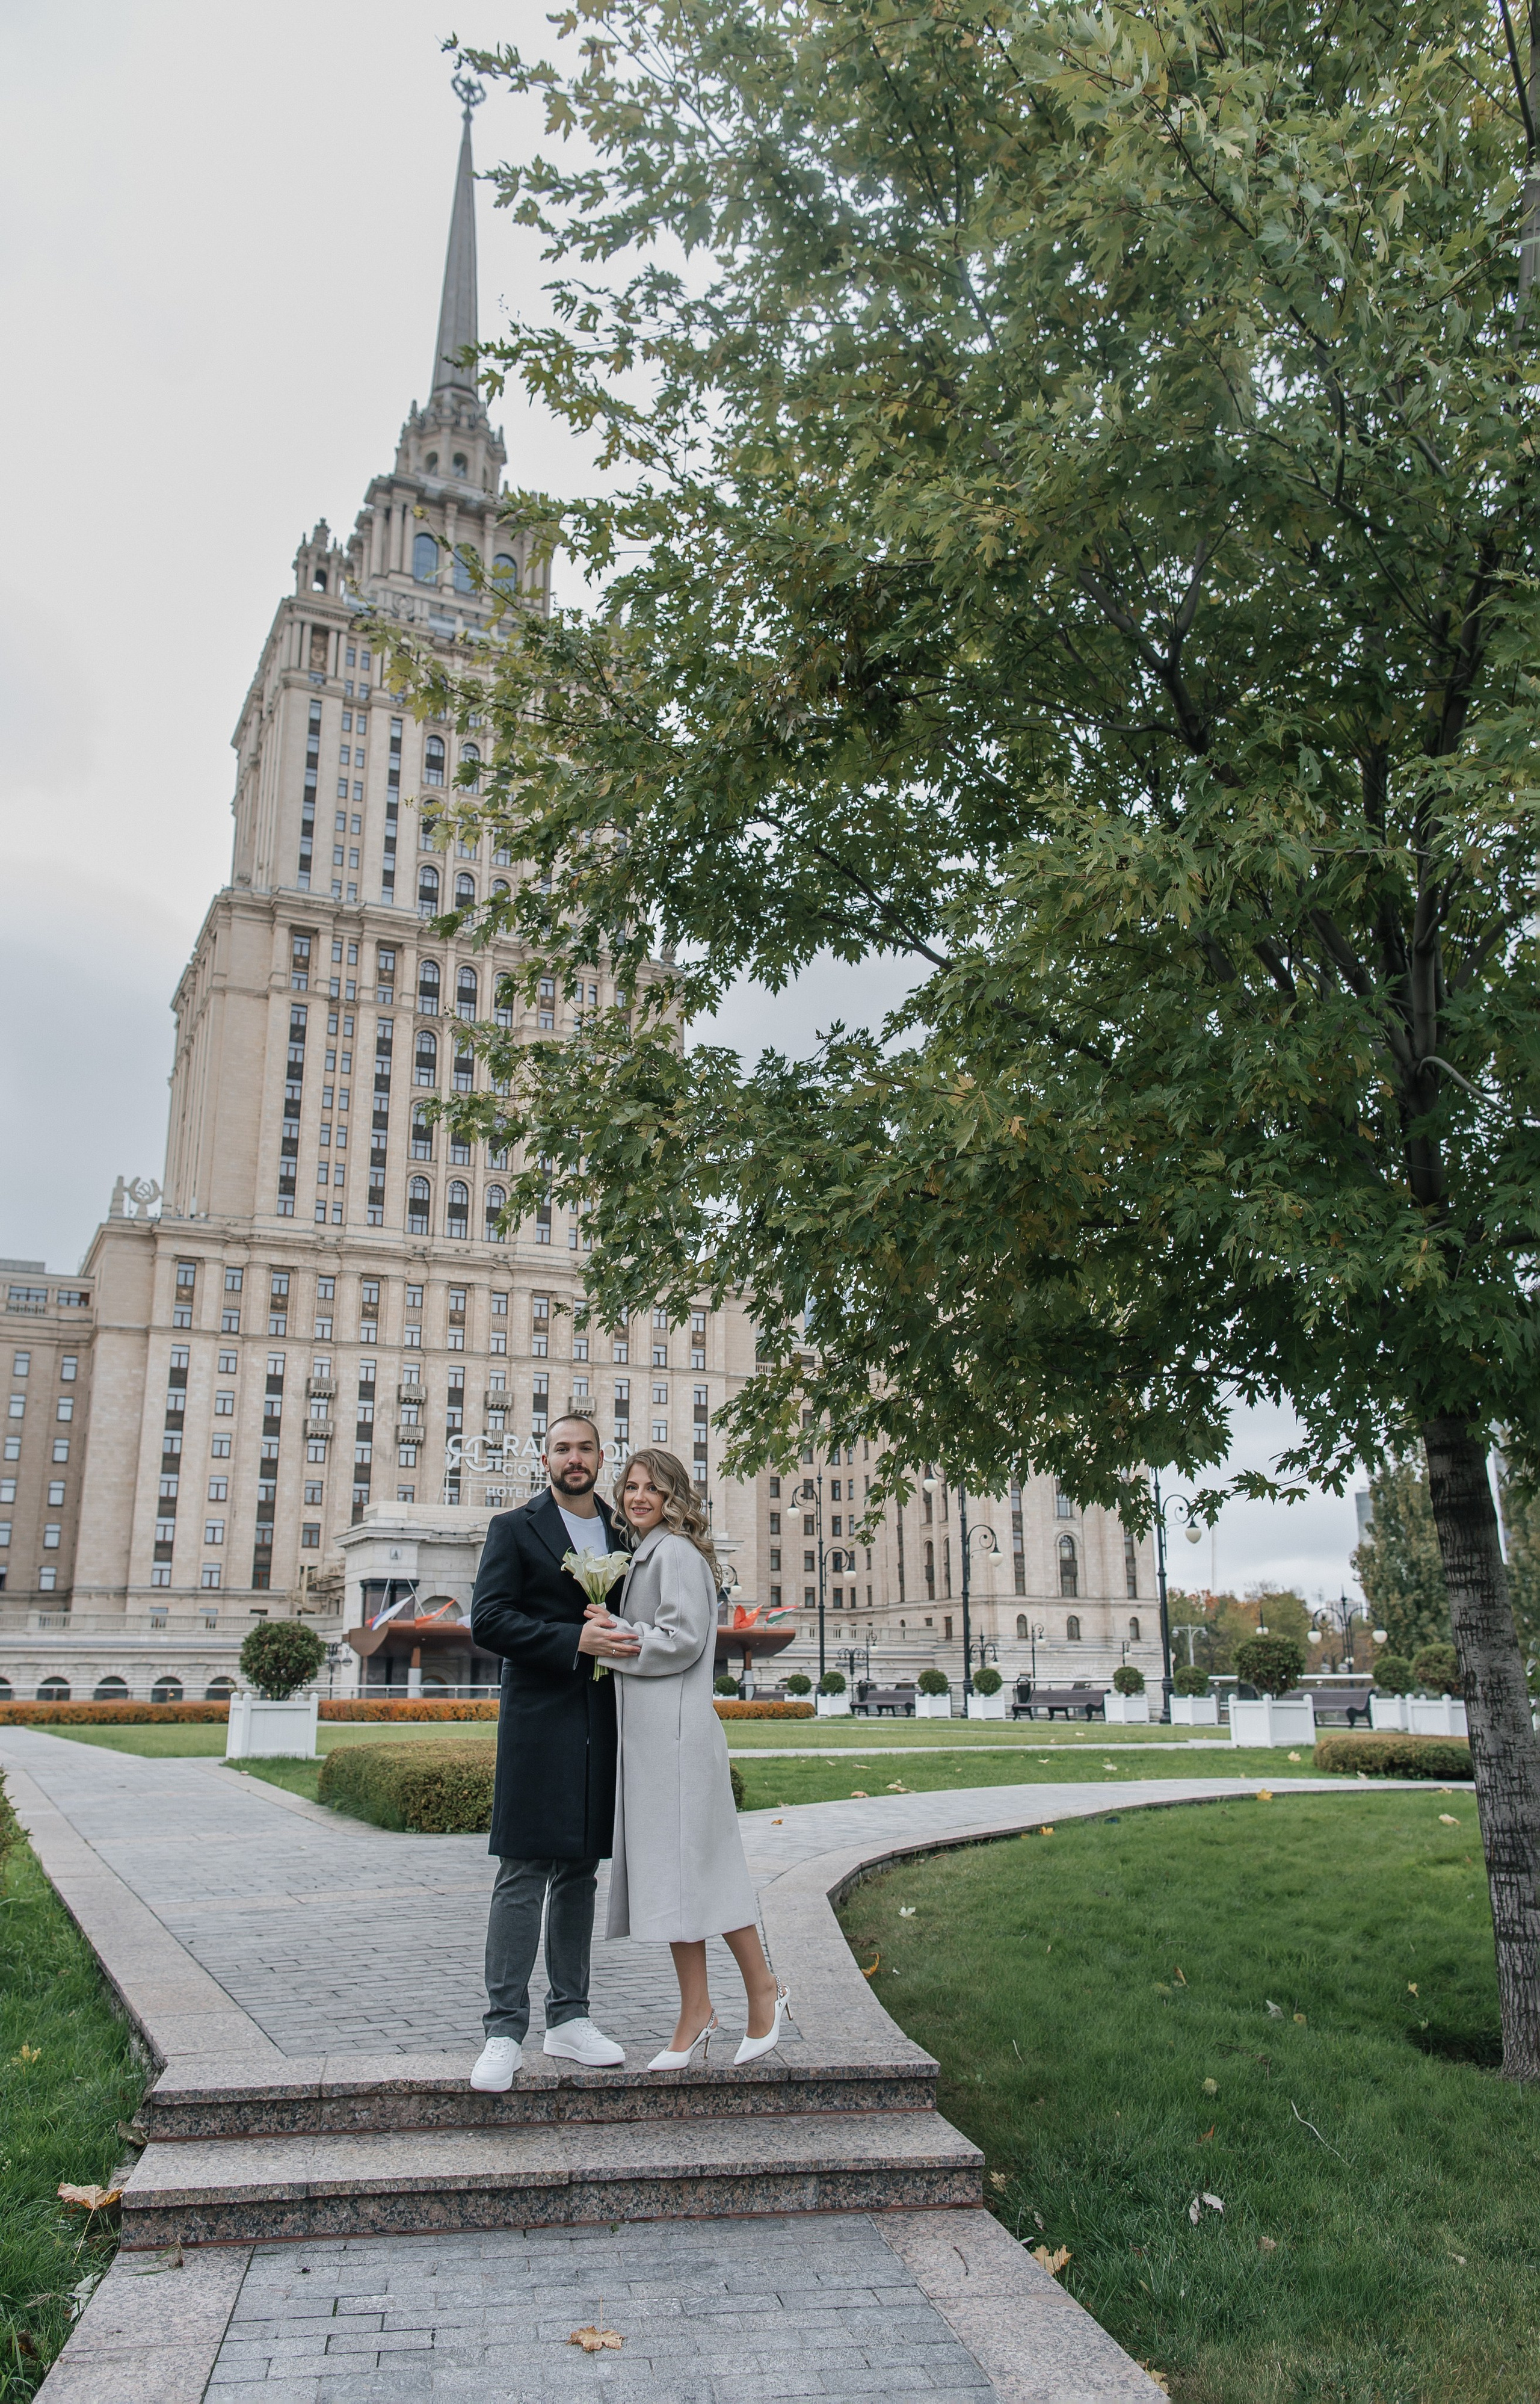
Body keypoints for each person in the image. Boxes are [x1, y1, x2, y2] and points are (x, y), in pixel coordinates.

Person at [583, 1447, 790, 2070]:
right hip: (656, 1742)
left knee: (704, 1873)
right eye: (631, 1487)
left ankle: (764, 1993)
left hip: (675, 1741)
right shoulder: (652, 1552)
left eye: (652, 1487)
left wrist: (613, 1633)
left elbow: (682, 1638)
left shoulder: (673, 1552)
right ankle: (696, 2010)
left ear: (675, 1496)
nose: (638, 1497)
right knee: (679, 1880)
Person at [467, 1414, 638, 2092]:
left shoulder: (626, 1534)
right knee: (523, 1868)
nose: (575, 1458)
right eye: (563, 1447)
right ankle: (503, 2028)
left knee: (579, 1871)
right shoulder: (515, 1528)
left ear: (602, 1456)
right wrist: (575, 1639)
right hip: (539, 1719)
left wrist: (620, 1635)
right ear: (546, 1458)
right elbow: (489, 1618)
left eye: (585, 1447)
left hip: (604, 1718)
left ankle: (569, 2018)